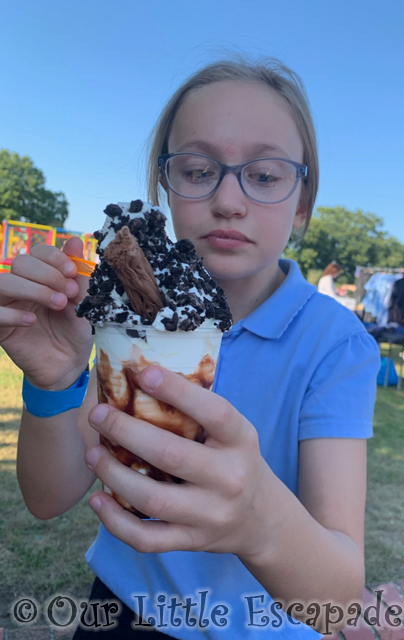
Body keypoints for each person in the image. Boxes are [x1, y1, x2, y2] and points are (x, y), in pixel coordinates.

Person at [0, 57, 379, 639]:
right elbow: (47, 499)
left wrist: (259, 520)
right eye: (199, 170)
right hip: (120, 613)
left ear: (303, 203)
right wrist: (56, 380)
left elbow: (337, 597)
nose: (229, 200)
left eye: (267, 174)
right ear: (165, 189)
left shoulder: (334, 343)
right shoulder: (120, 316)